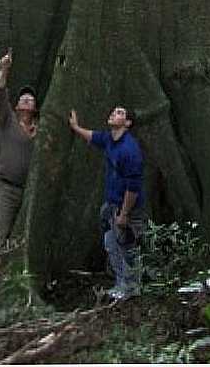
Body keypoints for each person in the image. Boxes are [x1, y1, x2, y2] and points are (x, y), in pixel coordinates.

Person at [69, 105, 145, 301]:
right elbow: (94, 137)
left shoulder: (130, 149)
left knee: (127, 247)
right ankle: (121, 284)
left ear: (127, 123)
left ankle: (132, 288)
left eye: (120, 112)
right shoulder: (110, 139)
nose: (113, 113)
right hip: (111, 205)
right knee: (111, 244)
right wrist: (76, 127)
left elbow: (133, 187)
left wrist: (124, 215)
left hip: (126, 208)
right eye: (113, 111)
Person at [0, 49, 37, 244]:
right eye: (22, 98)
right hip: (9, 189)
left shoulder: (42, 128)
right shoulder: (8, 120)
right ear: (17, 106)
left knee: (27, 236)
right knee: (5, 233)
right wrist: (4, 70)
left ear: (35, 107)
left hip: (32, 189)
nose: (26, 99)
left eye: (31, 98)